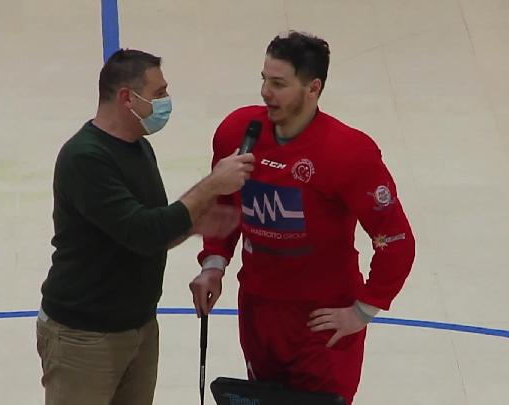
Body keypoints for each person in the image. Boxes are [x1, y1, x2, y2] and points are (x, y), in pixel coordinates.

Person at [189, 31, 416, 404]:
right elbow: (224, 204)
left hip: (322, 323)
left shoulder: (349, 152)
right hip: (259, 314)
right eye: (264, 79)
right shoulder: (236, 132)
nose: (265, 92)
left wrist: (364, 310)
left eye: (278, 84)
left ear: (313, 88)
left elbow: (395, 240)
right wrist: (214, 264)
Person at [36, 48, 255, 405]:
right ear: (127, 98)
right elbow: (144, 231)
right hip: (84, 337)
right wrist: (213, 184)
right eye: (159, 93)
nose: (166, 102)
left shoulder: (138, 148)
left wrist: (193, 226)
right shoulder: (85, 158)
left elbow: (153, 230)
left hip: (138, 327)